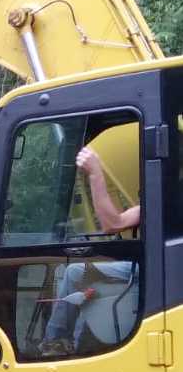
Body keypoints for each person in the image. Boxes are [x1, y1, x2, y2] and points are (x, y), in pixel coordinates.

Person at [40, 146, 140, 356]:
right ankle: (75, 346)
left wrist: (95, 173)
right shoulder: (167, 196)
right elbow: (118, 223)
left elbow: (112, 223)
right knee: (88, 281)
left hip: (157, 271)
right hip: (155, 267)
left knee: (76, 273)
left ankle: (55, 341)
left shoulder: (170, 197)